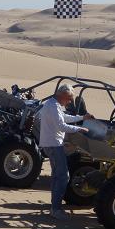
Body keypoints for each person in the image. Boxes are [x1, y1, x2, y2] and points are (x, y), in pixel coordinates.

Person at [39, 84, 90, 220]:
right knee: (63, 176)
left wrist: (82, 118)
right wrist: (79, 129)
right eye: (68, 99)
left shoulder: (52, 104)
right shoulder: (53, 106)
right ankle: (56, 209)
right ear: (62, 95)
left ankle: (54, 206)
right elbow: (61, 126)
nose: (68, 102)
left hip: (51, 144)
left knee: (57, 175)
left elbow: (64, 118)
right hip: (54, 145)